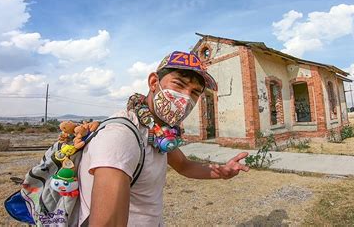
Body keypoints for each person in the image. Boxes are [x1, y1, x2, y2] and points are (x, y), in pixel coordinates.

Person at [77, 51, 250, 226]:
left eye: (195, 92)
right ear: (154, 82)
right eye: (179, 84)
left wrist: (223, 172)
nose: (186, 98)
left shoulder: (157, 130)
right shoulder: (121, 136)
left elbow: (184, 165)